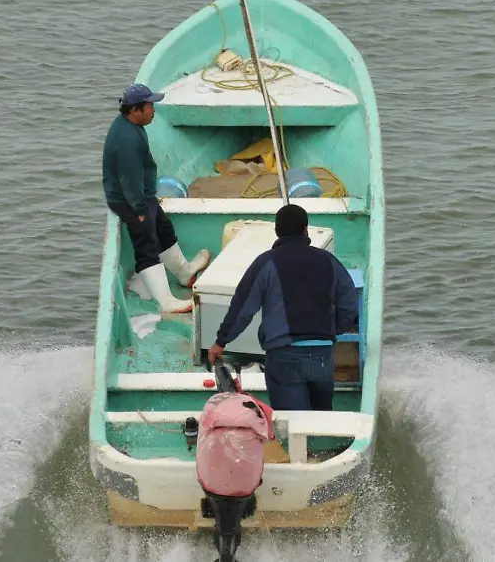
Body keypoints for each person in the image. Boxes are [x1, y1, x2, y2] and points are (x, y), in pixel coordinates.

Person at [208, 204, 360, 411]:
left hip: (284, 357)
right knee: (321, 422)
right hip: (322, 357)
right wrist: (334, 329)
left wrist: (220, 342)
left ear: (276, 231)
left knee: (292, 427)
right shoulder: (328, 261)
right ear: (306, 230)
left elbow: (242, 309)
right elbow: (349, 301)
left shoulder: (265, 263)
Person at [103, 83, 210, 314]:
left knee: (163, 228)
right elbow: (129, 181)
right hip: (131, 202)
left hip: (143, 195)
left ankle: (183, 271)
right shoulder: (127, 141)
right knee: (147, 247)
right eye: (150, 106)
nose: (153, 110)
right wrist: (140, 210)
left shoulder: (133, 126)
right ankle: (167, 303)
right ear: (135, 110)